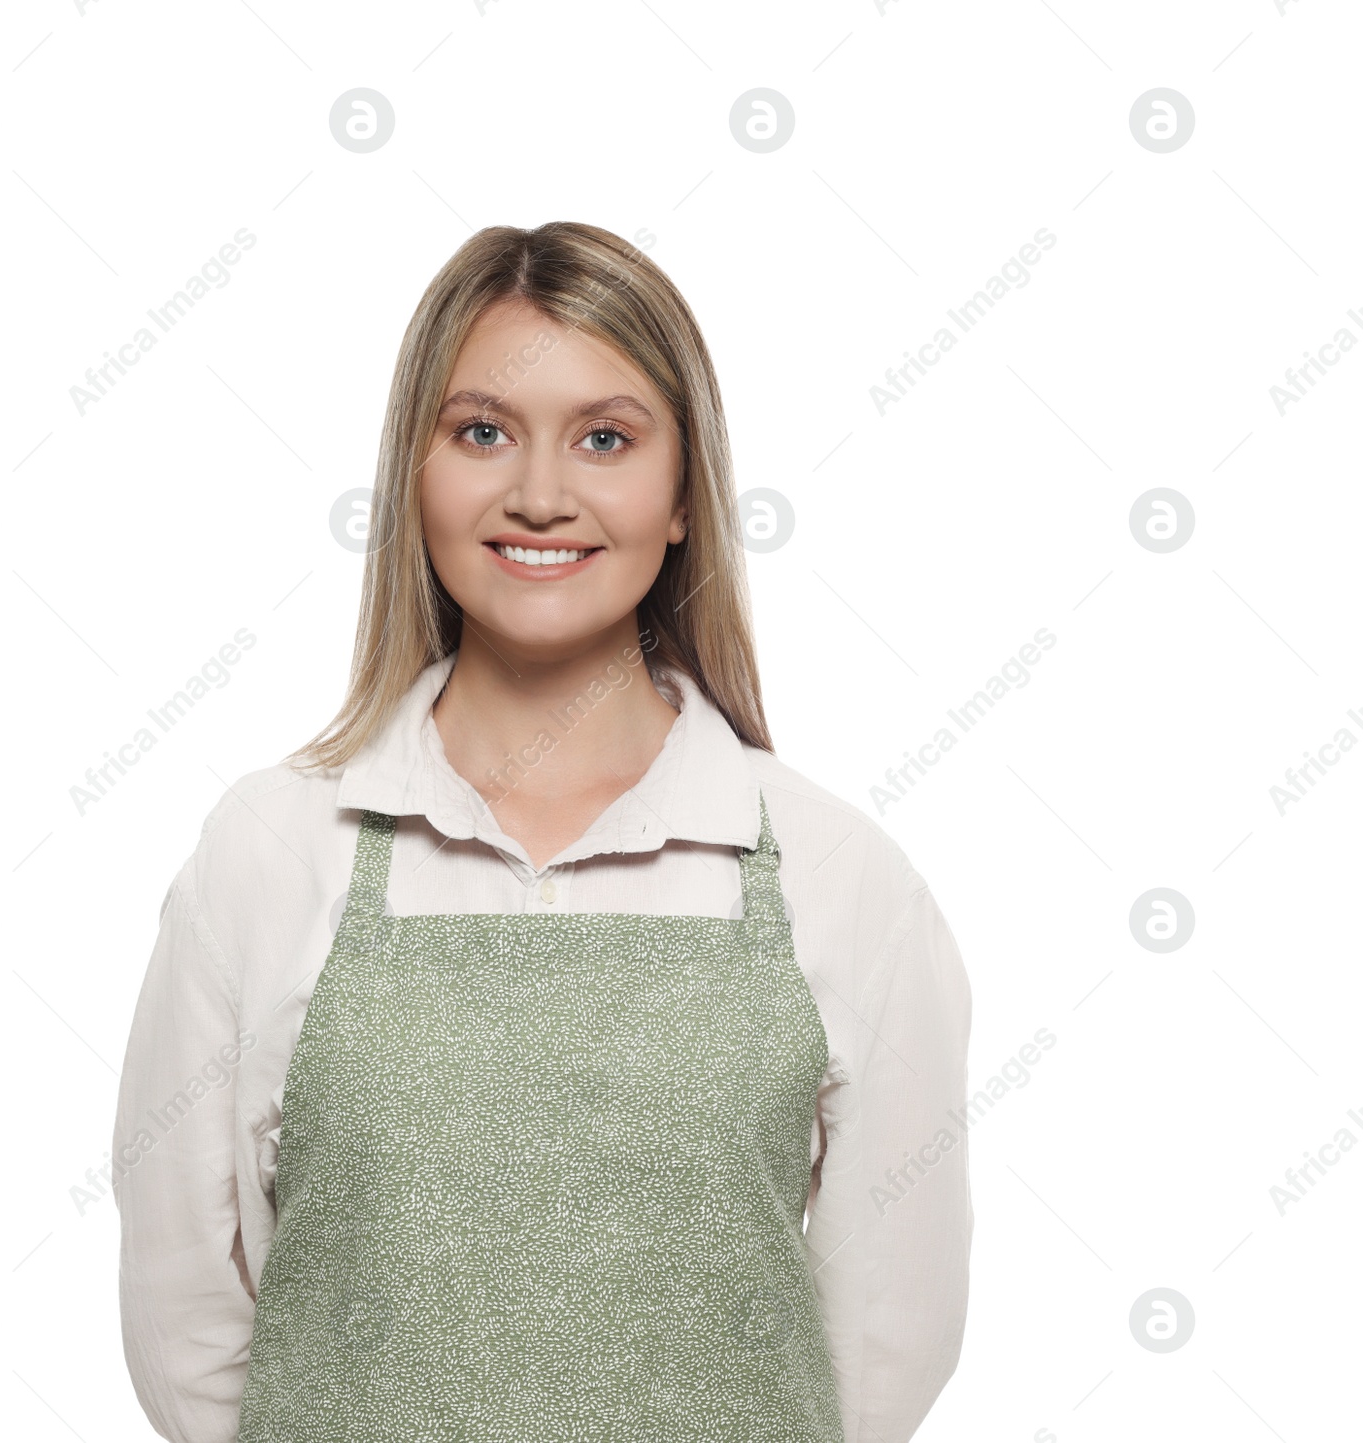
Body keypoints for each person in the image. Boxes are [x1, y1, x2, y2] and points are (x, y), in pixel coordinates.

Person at [112, 220, 973, 1443]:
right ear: (414, 473)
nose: (540, 495)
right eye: (482, 433)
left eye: (607, 440)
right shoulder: (268, 850)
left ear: (684, 499)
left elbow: (885, 1340)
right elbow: (186, 1315)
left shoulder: (842, 878)